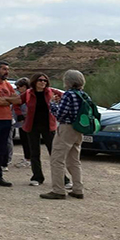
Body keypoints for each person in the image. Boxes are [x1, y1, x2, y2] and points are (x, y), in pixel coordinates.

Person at [41, 70, 90, 200]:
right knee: (74, 160)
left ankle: (58, 190)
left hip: (66, 128)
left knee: (57, 159)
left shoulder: (68, 95)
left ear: (68, 81)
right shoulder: (84, 95)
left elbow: (60, 114)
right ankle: (78, 189)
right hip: (78, 129)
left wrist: (52, 104)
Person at [21, 73, 68, 188]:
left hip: (48, 127)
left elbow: (66, 98)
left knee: (54, 153)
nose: (43, 82)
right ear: (34, 82)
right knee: (34, 153)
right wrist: (19, 114)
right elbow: (17, 102)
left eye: (45, 80)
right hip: (32, 127)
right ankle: (37, 177)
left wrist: (58, 103)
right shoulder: (28, 93)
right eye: (40, 80)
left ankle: (64, 179)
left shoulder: (51, 92)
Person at [13, 78, 31, 168]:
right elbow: (16, 105)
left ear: (24, 87)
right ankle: (26, 158)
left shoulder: (30, 95)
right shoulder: (20, 95)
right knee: (24, 140)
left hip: (29, 121)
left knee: (28, 141)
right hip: (22, 121)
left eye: (18, 87)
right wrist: (19, 114)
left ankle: (29, 159)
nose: (17, 89)